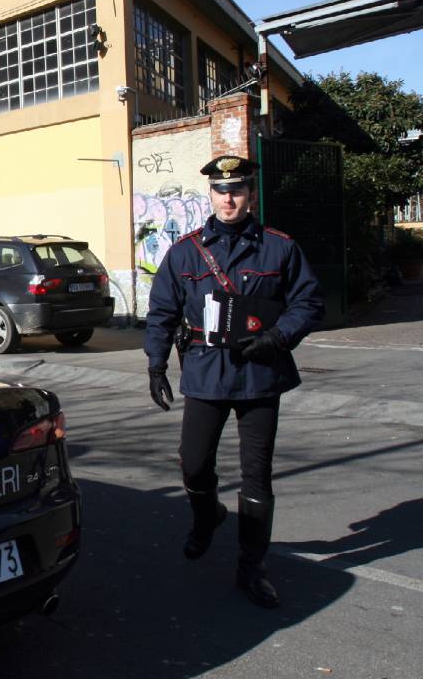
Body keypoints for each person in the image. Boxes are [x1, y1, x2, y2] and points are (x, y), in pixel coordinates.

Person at [144, 156, 325, 609]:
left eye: (238, 189)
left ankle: (251, 565)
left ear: (250, 194)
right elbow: (162, 313)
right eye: (221, 190)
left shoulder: (279, 248)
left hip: (261, 375)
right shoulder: (185, 252)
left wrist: (279, 337)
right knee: (193, 463)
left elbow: (309, 302)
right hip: (206, 372)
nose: (229, 198)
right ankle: (207, 516)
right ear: (211, 195)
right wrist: (155, 364)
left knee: (256, 475)